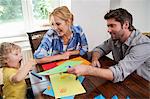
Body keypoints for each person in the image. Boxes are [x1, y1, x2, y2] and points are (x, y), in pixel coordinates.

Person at [67, 8, 150, 83]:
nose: (108, 30)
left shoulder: (143, 45)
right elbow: (99, 49)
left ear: (126, 25)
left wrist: (88, 70)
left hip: (142, 86)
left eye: (112, 26)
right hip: (124, 81)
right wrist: (95, 59)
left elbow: (119, 72)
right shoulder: (116, 38)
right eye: (108, 26)